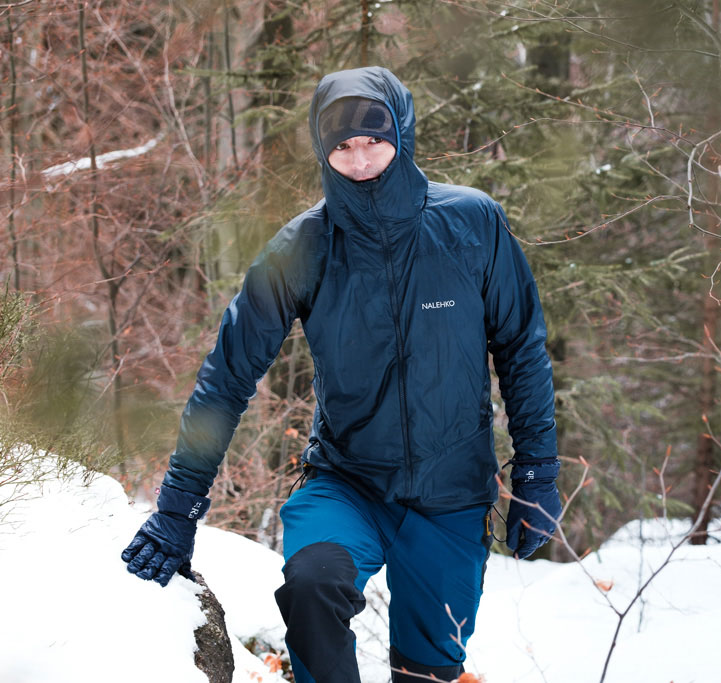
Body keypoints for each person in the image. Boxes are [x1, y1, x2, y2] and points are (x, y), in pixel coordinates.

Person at [120, 66, 561, 683]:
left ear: (401, 135)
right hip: (348, 481)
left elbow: (521, 349)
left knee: (429, 669)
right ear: (323, 149)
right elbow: (227, 378)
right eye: (342, 146)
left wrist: (538, 469)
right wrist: (176, 508)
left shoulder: (471, 224)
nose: (360, 160)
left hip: (452, 493)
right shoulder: (302, 246)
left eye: (374, 141)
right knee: (311, 586)